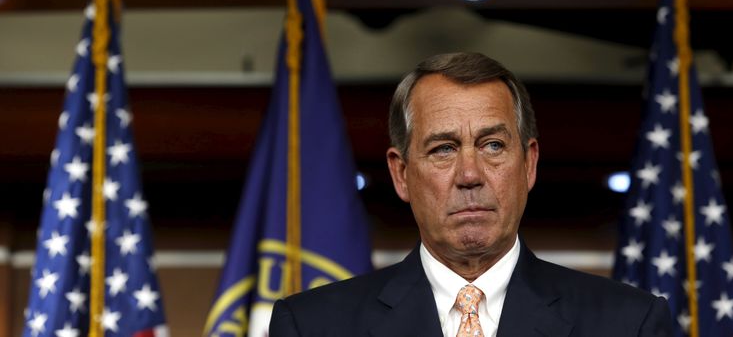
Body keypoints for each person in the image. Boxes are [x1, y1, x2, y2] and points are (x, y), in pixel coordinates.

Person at [269, 52, 673, 336]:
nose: (469, 174)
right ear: (402, 173)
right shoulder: (312, 325)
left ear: (529, 164)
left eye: (493, 145)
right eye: (443, 149)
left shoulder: (629, 323)